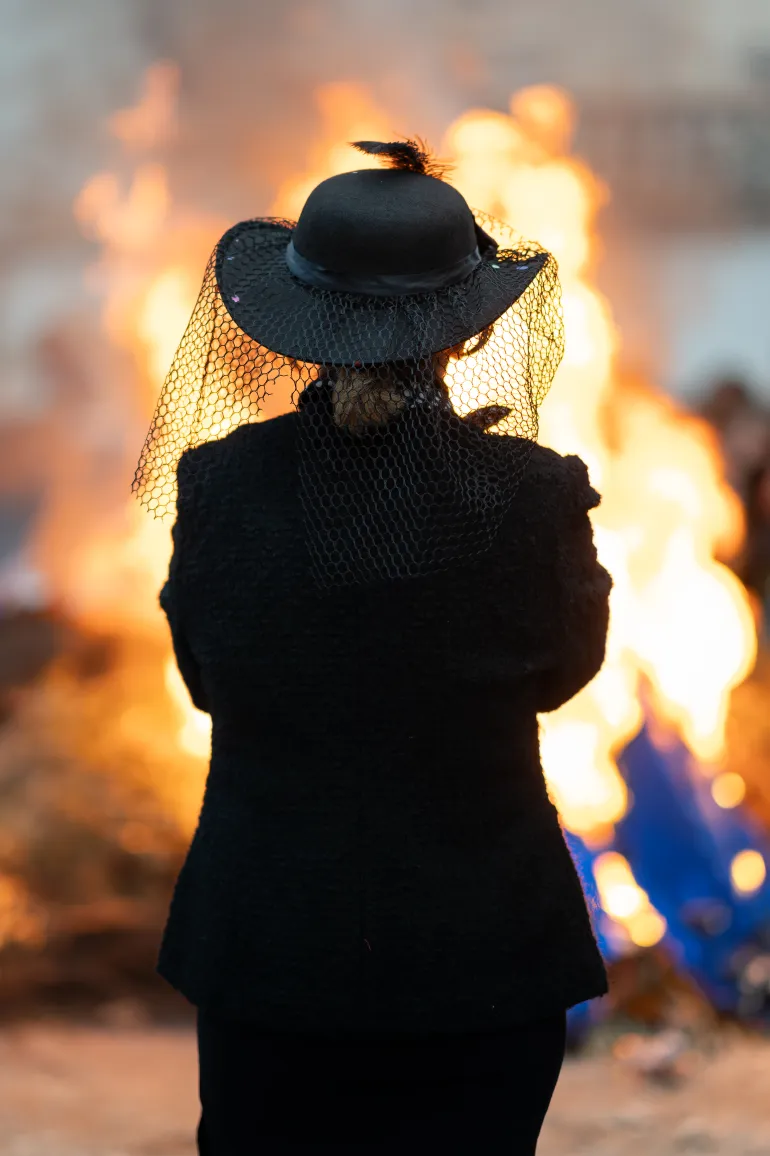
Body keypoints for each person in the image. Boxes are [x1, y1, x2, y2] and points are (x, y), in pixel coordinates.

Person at [134, 139, 612, 1154]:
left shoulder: (218, 485)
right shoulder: (530, 493)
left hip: (270, 956)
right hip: (481, 962)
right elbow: (566, 674)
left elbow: (206, 680)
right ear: (457, 335)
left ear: (302, 329)